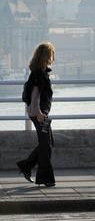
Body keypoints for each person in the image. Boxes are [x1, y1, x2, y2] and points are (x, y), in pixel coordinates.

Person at [16, 42, 56, 187]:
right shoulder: (38, 73)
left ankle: (26, 166)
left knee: (48, 144)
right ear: (46, 55)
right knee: (46, 145)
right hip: (38, 113)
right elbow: (35, 94)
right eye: (52, 54)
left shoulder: (41, 71)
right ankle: (45, 178)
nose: (53, 57)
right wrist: (39, 112)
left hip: (39, 112)